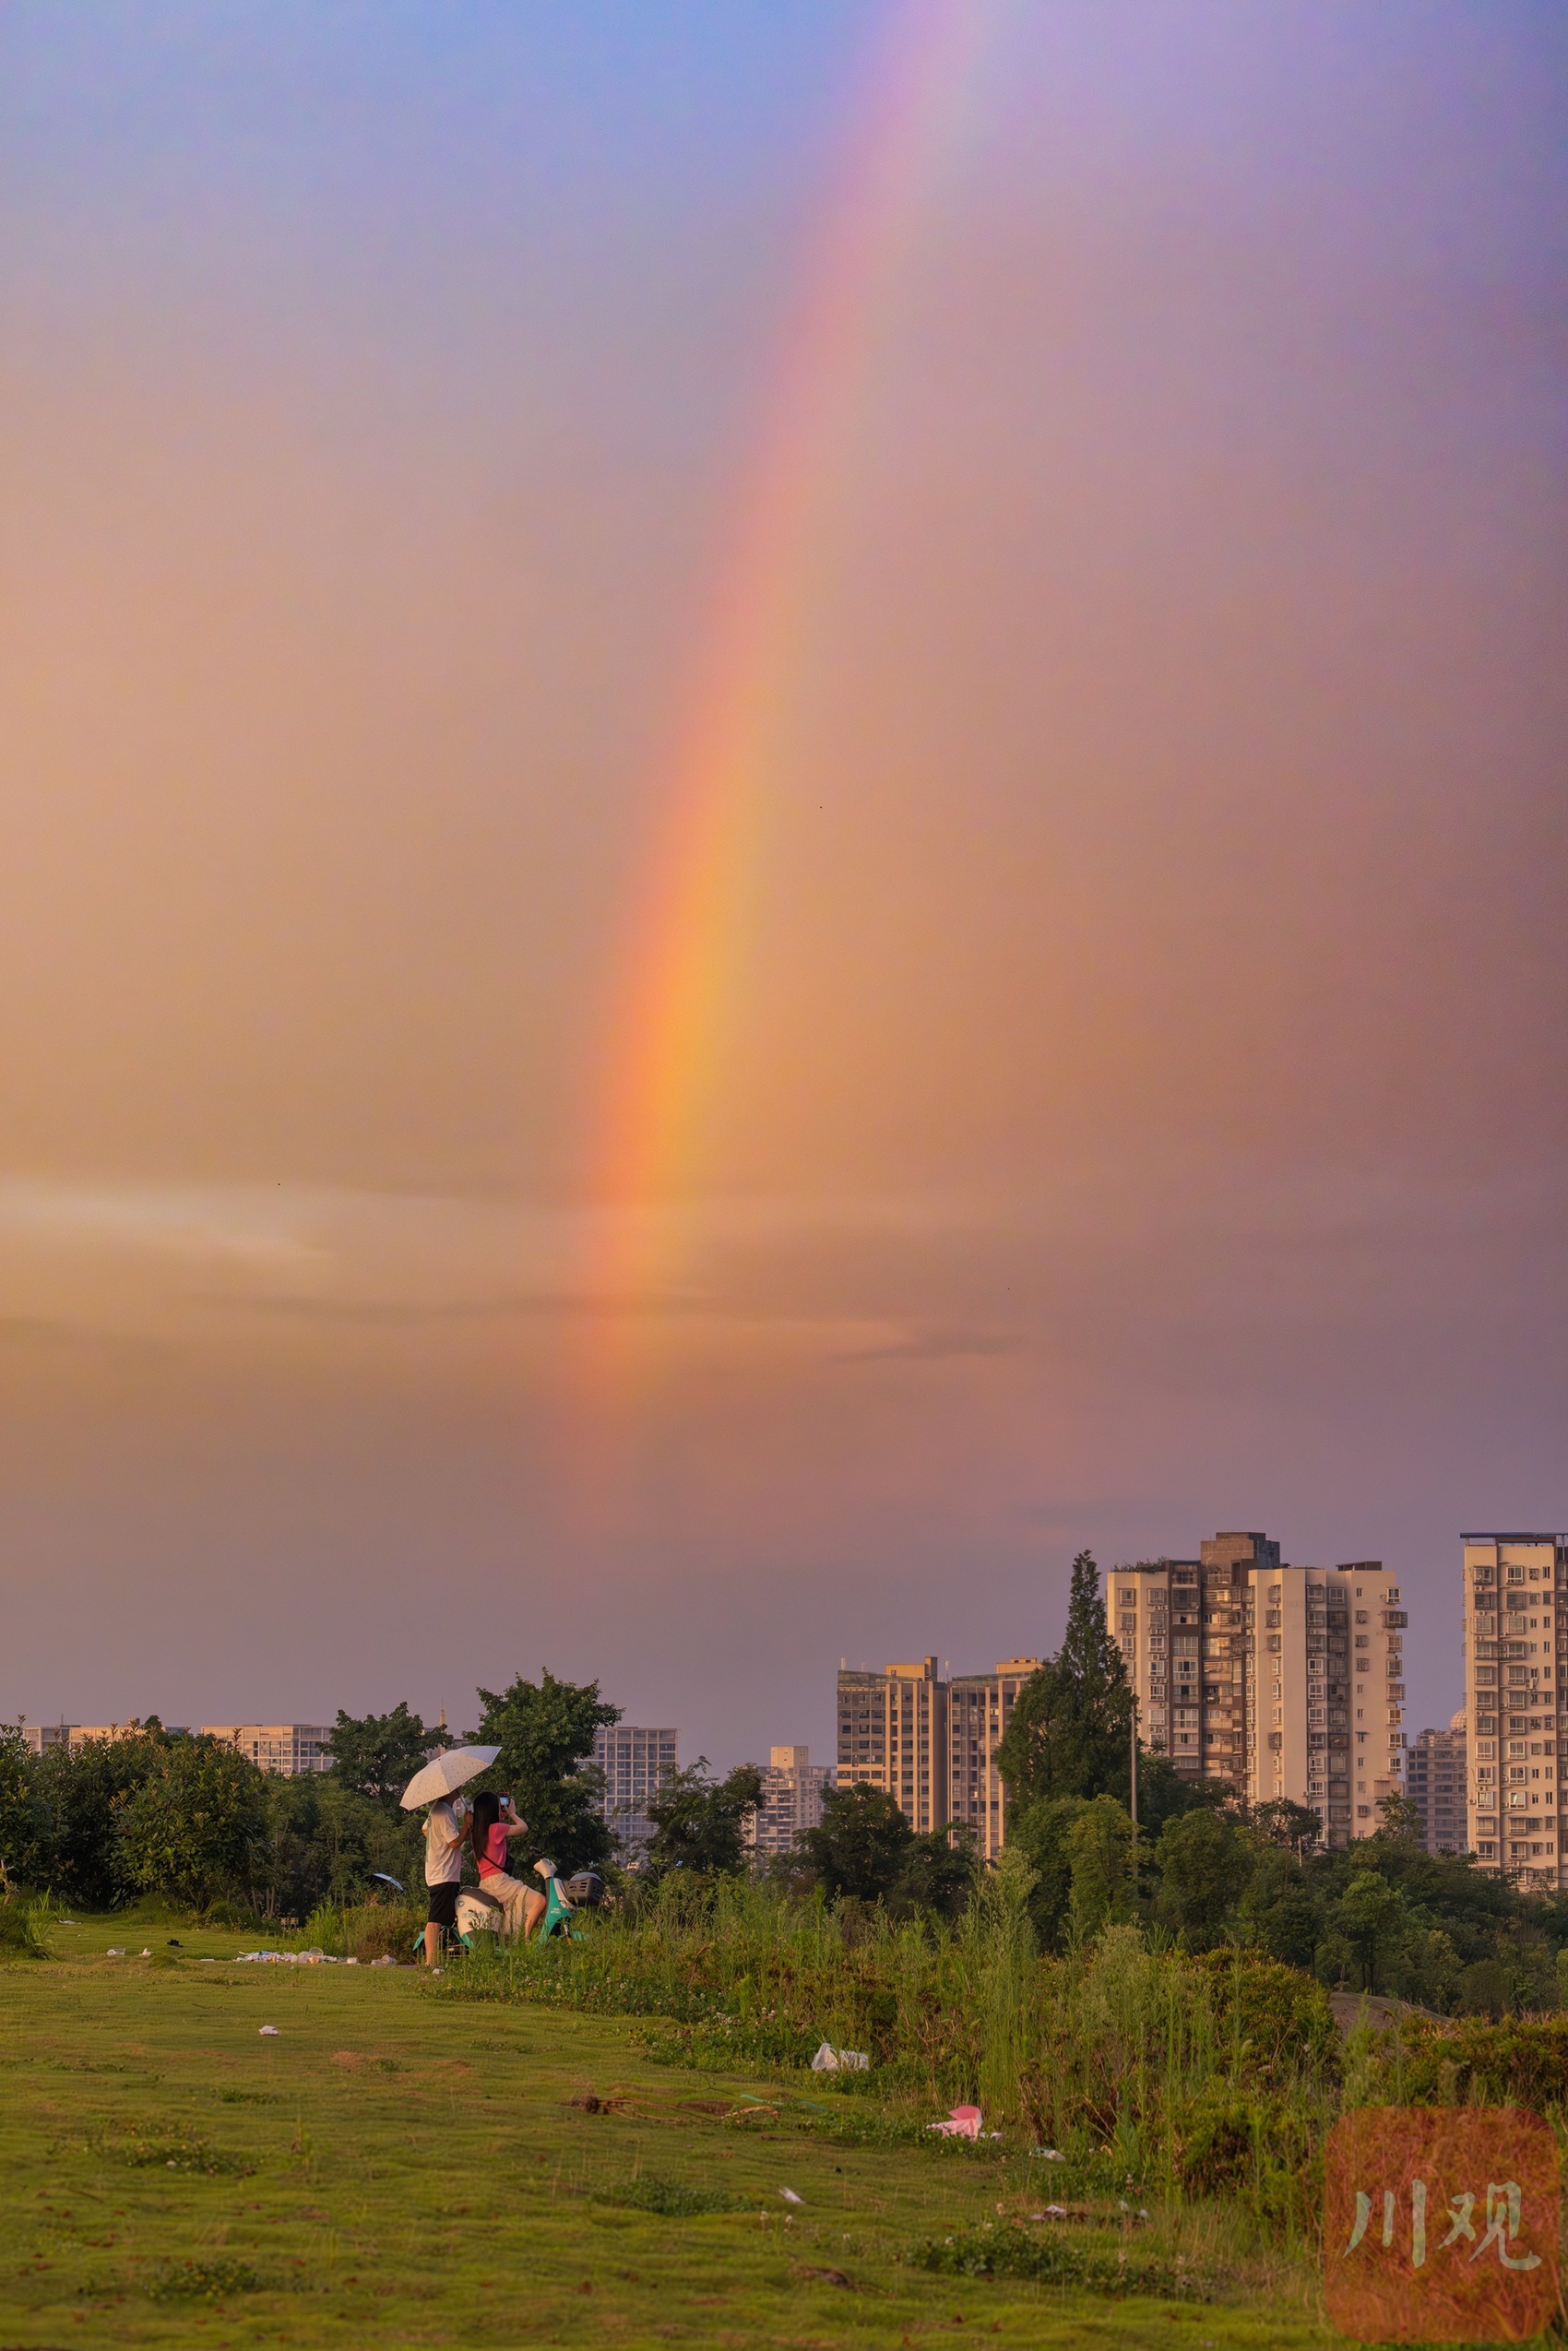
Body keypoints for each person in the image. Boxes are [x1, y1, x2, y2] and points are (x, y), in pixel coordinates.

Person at [469, 1789, 546, 1940]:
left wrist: (501, 1815)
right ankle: (525, 1940)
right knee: (540, 1900)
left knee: (510, 1916)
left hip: (486, 1883)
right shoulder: (497, 1829)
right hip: (500, 1882)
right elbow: (523, 1827)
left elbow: (493, 1829)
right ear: (492, 1810)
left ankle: (515, 1943)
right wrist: (512, 1813)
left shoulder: (476, 1833)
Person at [421, 1792, 468, 1967]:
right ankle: (430, 1961)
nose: (461, 1788)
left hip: (439, 1871)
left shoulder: (436, 1810)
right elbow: (454, 1842)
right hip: (443, 1873)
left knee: (444, 1918)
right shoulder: (445, 1811)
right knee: (435, 1920)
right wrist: (467, 1826)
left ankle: (437, 1958)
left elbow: (425, 1829)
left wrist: (437, 1841)